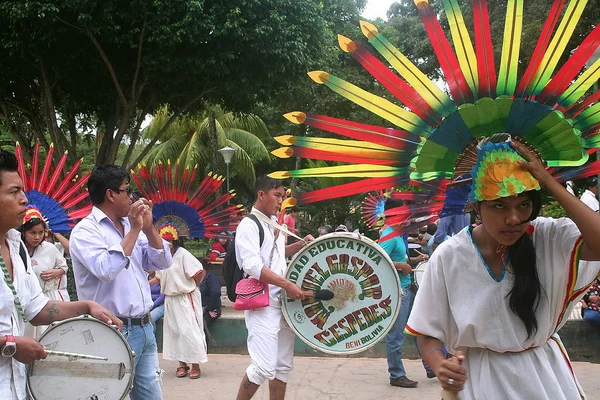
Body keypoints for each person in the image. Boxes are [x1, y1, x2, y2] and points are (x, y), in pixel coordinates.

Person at [406, 139, 600, 399]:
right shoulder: (449, 256)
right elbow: (426, 332)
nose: (514, 219)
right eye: (499, 205)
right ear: (476, 207)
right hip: (480, 381)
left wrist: (548, 181)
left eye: (524, 205)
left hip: (544, 378)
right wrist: (441, 365)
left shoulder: (548, 236)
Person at [0, 148, 121, 400]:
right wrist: (9, 345)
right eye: (14, 192)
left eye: (22, 190)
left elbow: (36, 308)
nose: (24, 199)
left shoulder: (17, 246)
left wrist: (86, 306)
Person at [70, 165, 172, 400]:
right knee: (107, 395)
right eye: (128, 191)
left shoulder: (130, 226)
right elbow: (106, 269)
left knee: (151, 396)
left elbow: (163, 261)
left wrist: (148, 227)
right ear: (111, 194)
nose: (133, 197)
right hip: (113, 329)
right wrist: (136, 230)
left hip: (144, 326)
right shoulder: (86, 231)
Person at [235, 176, 314, 400]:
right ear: (262, 195)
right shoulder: (249, 225)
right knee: (262, 368)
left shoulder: (273, 224)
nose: (281, 201)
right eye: (277, 195)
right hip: (263, 304)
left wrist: (299, 245)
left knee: (282, 369)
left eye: (283, 196)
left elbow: (278, 256)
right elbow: (252, 266)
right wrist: (287, 284)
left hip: (284, 304)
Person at [379, 199, 430, 388]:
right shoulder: (389, 235)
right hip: (398, 292)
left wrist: (411, 261)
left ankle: (431, 366)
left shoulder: (398, 235)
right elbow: (376, 259)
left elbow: (399, 257)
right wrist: (400, 266)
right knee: (396, 335)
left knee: (420, 328)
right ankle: (396, 374)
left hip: (407, 288)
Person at [152, 237, 207, 380]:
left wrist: (194, 286)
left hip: (185, 297)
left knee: (190, 331)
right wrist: (144, 284)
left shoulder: (183, 254)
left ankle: (196, 365)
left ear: (173, 242)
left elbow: (199, 272)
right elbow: (158, 278)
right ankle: (182, 364)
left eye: (166, 241)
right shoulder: (162, 257)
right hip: (170, 299)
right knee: (175, 331)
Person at [20, 213, 70, 339]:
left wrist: (56, 272)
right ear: (24, 232)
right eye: (33, 233)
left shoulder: (49, 248)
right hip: (26, 301)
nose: (37, 237)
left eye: (41, 232)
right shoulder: (17, 250)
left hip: (48, 297)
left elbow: (64, 267)